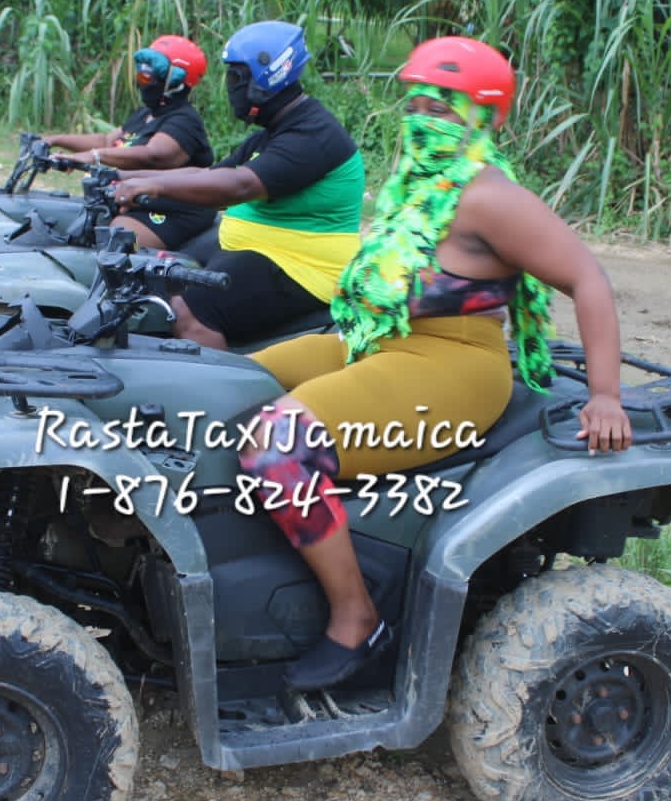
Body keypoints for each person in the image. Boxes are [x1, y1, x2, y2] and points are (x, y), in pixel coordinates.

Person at [237, 36, 635, 692]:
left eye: (448, 105)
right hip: (384, 341)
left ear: (487, 117)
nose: (427, 113)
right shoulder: (418, 184)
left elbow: (588, 278)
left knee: (279, 447)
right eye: (419, 99)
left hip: (454, 364)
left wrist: (606, 396)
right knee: (227, 380)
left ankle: (356, 618)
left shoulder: (488, 197)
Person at [110, 21, 364, 349]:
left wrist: (155, 186)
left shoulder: (313, 134)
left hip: (305, 267)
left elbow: (239, 185)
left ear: (267, 76)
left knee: (190, 308)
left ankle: (217, 392)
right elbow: (208, 173)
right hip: (267, 251)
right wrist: (128, 179)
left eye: (235, 77)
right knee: (165, 269)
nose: (230, 86)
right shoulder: (276, 129)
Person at [41, 35, 217, 251]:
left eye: (149, 76)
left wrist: (96, 156)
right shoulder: (147, 113)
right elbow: (108, 140)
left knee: (116, 237)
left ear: (175, 81)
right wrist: (55, 141)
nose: (142, 81)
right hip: (133, 198)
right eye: (142, 75)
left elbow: (155, 155)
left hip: (174, 210)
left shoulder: (184, 120)